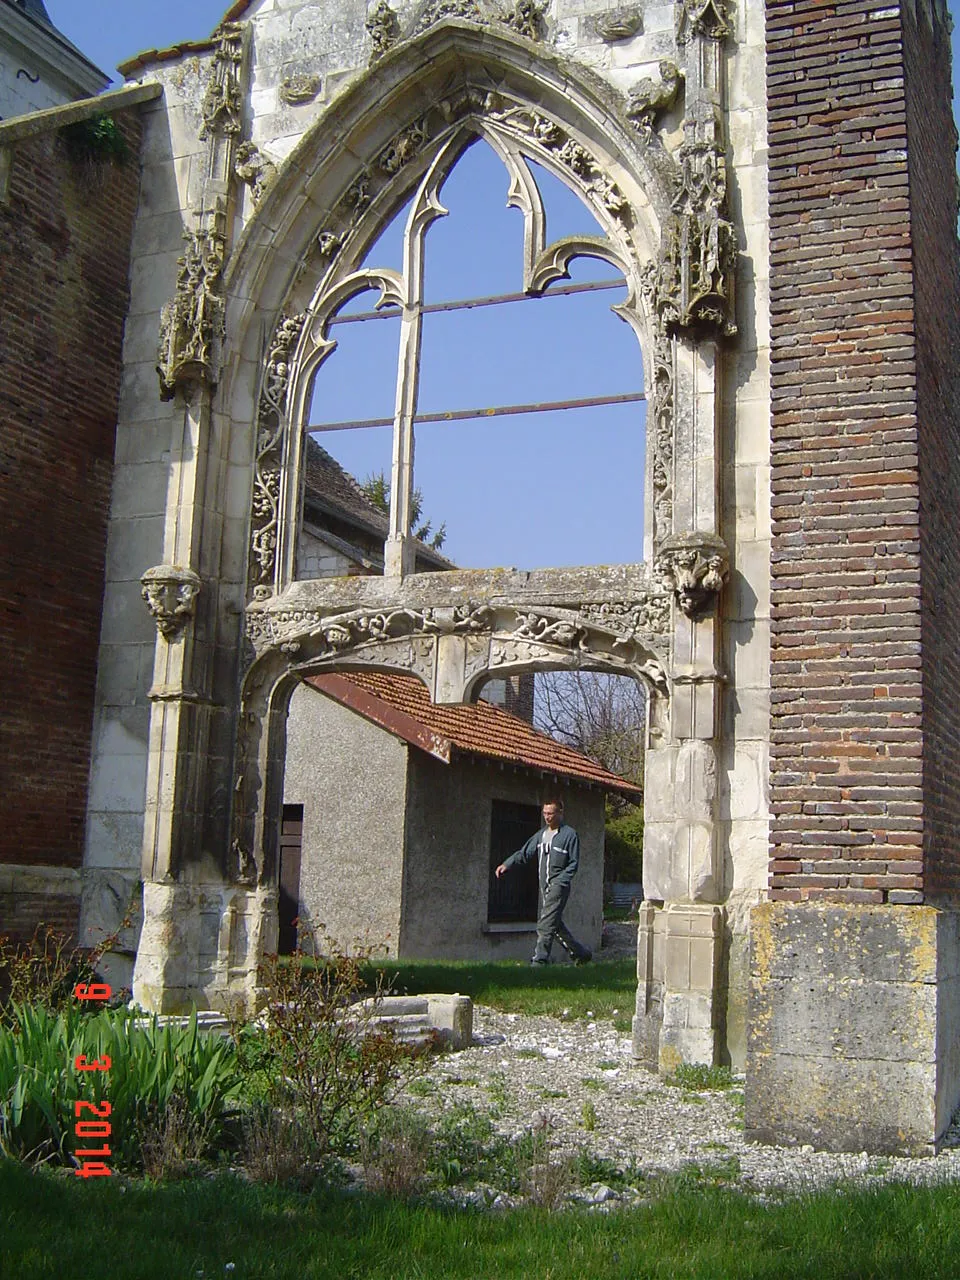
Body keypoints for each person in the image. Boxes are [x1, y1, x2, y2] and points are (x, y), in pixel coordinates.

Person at [495, 797, 592, 966]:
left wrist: (561, 880)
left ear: (560, 813)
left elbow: (573, 864)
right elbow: (524, 853)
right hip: (544, 886)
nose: (547, 817)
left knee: (545, 923)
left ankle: (540, 960)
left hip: (558, 886)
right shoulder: (541, 835)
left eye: (551, 813)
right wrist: (506, 864)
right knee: (554, 924)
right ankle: (581, 953)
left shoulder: (569, 835)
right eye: (545, 813)